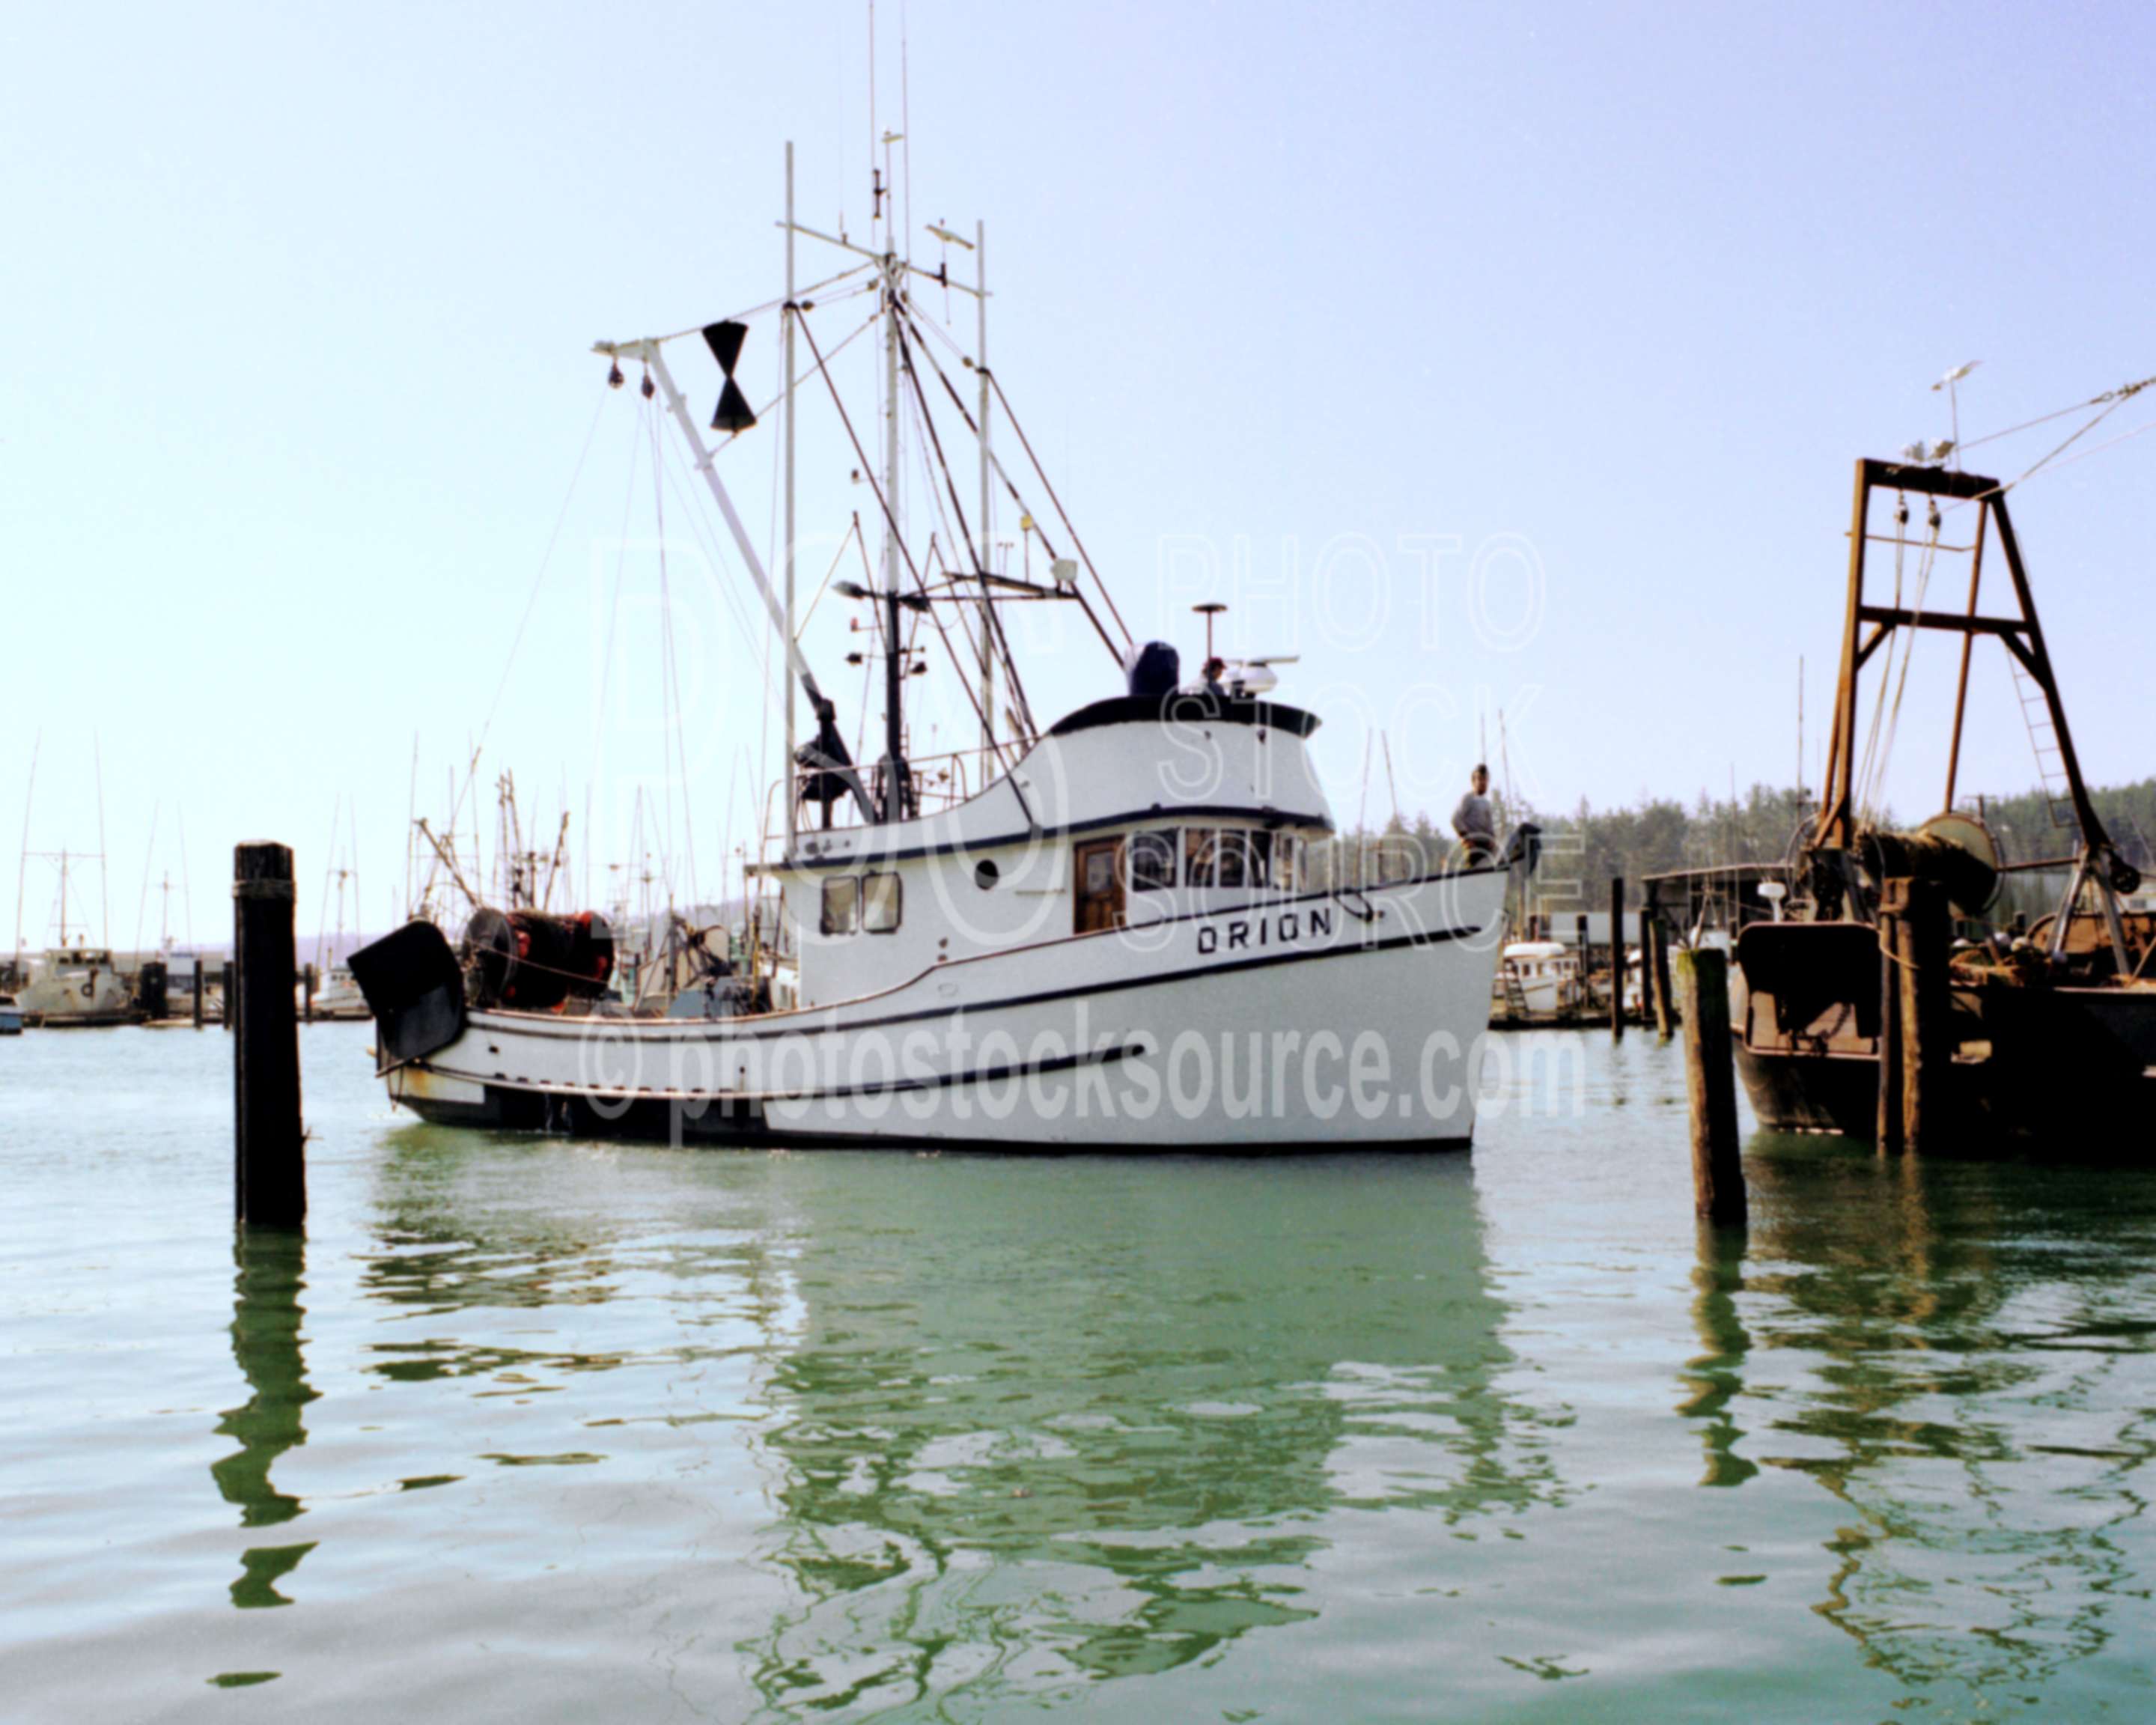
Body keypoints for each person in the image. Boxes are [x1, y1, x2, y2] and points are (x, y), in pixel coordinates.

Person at [1452, 764, 1498, 864]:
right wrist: (1467, 839)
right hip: (1474, 848)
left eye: (1485, 779)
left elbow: (1490, 827)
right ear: (1474, 781)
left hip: (1486, 848)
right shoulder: (1468, 798)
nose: (1483, 783)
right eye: (1480, 779)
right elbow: (1456, 819)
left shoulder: (1486, 803)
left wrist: (1492, 839)